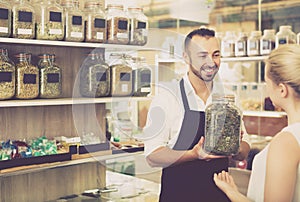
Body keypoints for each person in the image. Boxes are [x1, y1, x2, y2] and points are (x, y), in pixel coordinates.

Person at [143, 28, 251, 202]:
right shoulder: (167, 97)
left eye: (216, 55)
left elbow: (245, 148)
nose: (211, 62)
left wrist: (235, 147)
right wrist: (193, 154)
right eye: (202, 56)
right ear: (186, 57)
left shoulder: (229, 99)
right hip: (178, 195)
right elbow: (152, 156)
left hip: (219, 195)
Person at [213, 44, 300, 202]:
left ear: (282, 90)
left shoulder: (286, 141)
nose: (267, 90)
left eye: (267, 83)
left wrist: (233, 194)